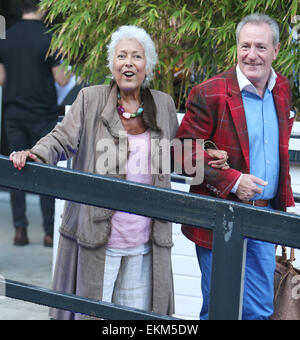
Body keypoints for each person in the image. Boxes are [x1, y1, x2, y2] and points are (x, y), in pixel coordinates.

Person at [9, 25, 228, 319]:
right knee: (90, 315)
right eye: (121, 55)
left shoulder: (163, 104)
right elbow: (61, 139)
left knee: (133, 321)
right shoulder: (90, 99)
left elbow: (177, 153)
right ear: (112, 63)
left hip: (145, 241)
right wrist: (34, 154)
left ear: (147, 65)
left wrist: (206, 154)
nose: (128, 62)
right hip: (98, 237)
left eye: (136, 56)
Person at [175, 13, 295, 320]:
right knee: (220, 308)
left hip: (264, 215)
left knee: (260, 310)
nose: (251, 55)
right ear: (236, 48)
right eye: (245, 46)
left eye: (260, 47)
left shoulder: (281, 88)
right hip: (221, 216)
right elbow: (181, 152)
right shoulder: (210, 92)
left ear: (277, 50)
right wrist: (232, 180)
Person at [0, 0, 69, 247]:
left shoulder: (6, 36)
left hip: (13, 113)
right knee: (45, 170)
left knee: (15, 167)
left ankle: (20, 230)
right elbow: (61, 79)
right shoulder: (50, 38)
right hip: (43, 113)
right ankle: (50, 232)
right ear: (44, 8)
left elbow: (1, 78)